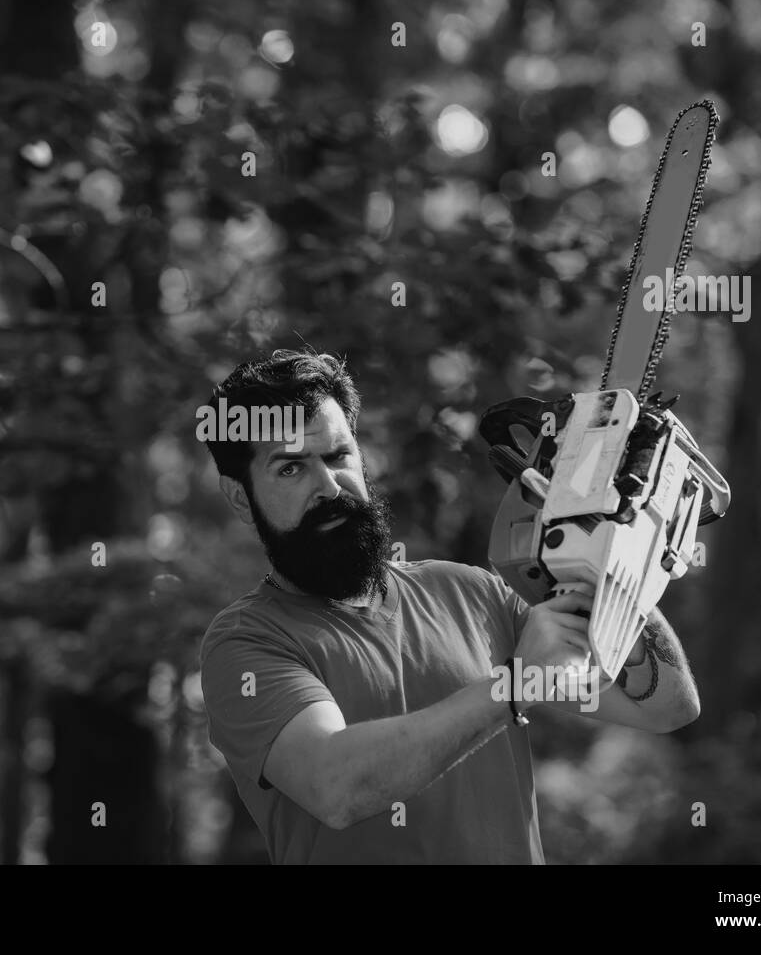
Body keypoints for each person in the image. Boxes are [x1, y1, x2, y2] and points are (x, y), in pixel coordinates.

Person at [198, 348, 700, 864]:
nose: (328, 486)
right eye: (290, 469)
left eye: (337, 456)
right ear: (241, 498)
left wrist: (610, 556)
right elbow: (337, 786)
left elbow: (666, 706)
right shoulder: (247, 641)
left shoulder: (471, 594)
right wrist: (513, 686)